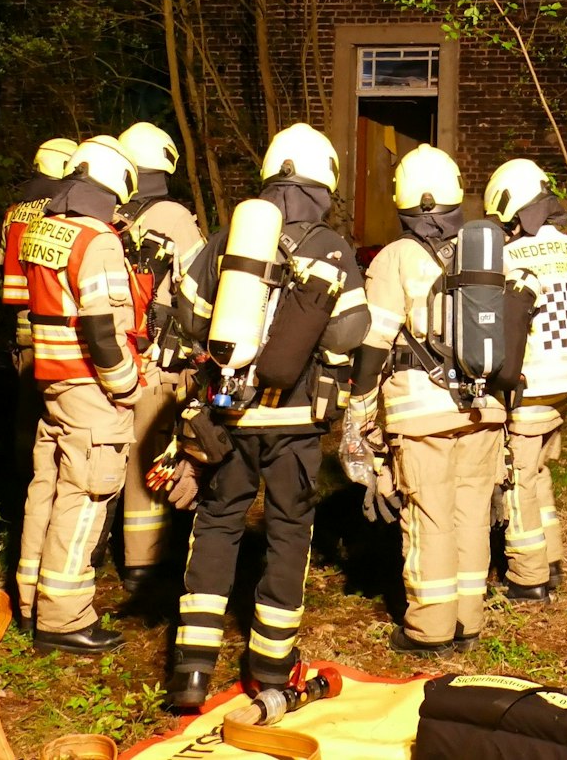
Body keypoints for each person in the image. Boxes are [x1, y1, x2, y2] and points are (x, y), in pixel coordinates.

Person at [166, 124, 368, 707]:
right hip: (296, 419)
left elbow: (189, 313)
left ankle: (192, 670)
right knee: (287, 533)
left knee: (217, 525)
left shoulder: (231, 236)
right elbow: (351, 328)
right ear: (323, 183)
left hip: (228, 417)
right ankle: (273, 669)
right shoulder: (332, 247)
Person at [348, 144, 506, 656]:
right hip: (484, 406)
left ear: (402, 202)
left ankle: (429, 629)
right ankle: (470, 619)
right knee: (471, 511)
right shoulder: (485, 252)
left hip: (421, 411)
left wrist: (360, 409)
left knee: (431, 516)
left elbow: (374, 344)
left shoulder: (394, 259)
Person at [14, 135, 144, 655]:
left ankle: (31, 603)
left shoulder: (44, 230)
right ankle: (65, 618)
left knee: (46, 489)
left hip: (51, 380)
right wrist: (127, 387)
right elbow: (102, 331)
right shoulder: (98, 240)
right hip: (90, 385)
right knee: (87, 496)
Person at [483, 158, 567, 601]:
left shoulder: (509, 255)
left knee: (516, 477)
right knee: (538, 470)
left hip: (530, 382)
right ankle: (551, 559)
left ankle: (528, 577)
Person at [113, 121, 206, 591]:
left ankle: (102, 550)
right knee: (151, 451)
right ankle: (146, 562)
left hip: (111, 354)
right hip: (159, 358)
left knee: (114, 451)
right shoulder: (173, 215)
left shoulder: (105, 210)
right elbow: (197, 287)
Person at [0, 137, 77, 485]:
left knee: (24, 411)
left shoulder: (14, 212)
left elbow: (4, 261)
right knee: (58, 413)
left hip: (22, 327)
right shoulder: (62, 214)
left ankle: (19, 483)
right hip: (57, 327)